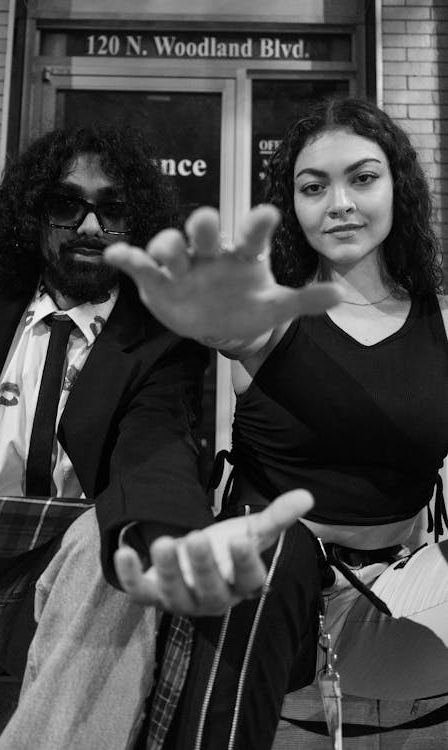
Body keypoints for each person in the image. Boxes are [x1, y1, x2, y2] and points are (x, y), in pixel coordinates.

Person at [0, 123, 339, 750]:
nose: (89, 227)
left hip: (71, 585)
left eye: (113, 210)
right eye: (65, 204)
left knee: (109, 537)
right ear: (31, 216)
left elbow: (154, 453)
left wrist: (166, 542)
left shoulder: (157, 345)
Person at [106, 97, 448, 750]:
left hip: (406, 587)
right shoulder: (270, 313)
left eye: (363, 178)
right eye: (313, 187)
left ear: (397, 185)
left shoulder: (441, 319)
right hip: (273, 599)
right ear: (291, 204)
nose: (340, 203)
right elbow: (236, 330)